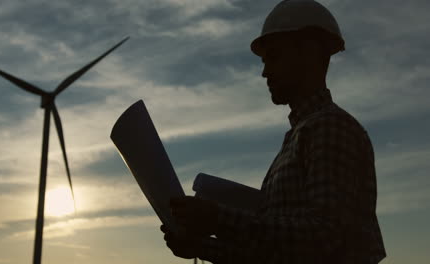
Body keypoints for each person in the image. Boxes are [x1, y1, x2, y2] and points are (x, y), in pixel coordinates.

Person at [161, 0, 387, 263]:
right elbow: (278, 252)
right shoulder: (299, 136)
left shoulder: (330, 127)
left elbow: (323, 237)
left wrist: (216, 218)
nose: (265, 72)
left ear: (310, 52)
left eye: (275, 57)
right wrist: (200, 247)